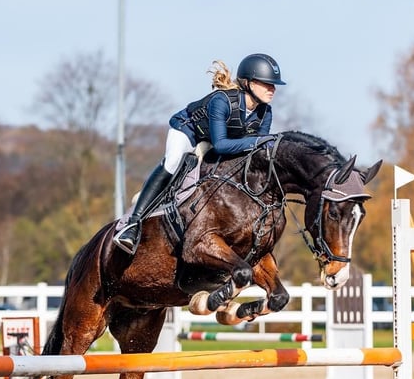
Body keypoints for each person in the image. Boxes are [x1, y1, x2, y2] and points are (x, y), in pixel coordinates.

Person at [113, 53, 286, 254]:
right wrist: (258, 141)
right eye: (267, 84)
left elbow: (255, 151)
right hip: (188, 131)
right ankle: (132, 225)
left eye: (273, 85)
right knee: (173, 161)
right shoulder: (222, 101)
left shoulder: (265, 112)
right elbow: (222, 145)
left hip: (214, 141)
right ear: (248, 83)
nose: (272, 89)